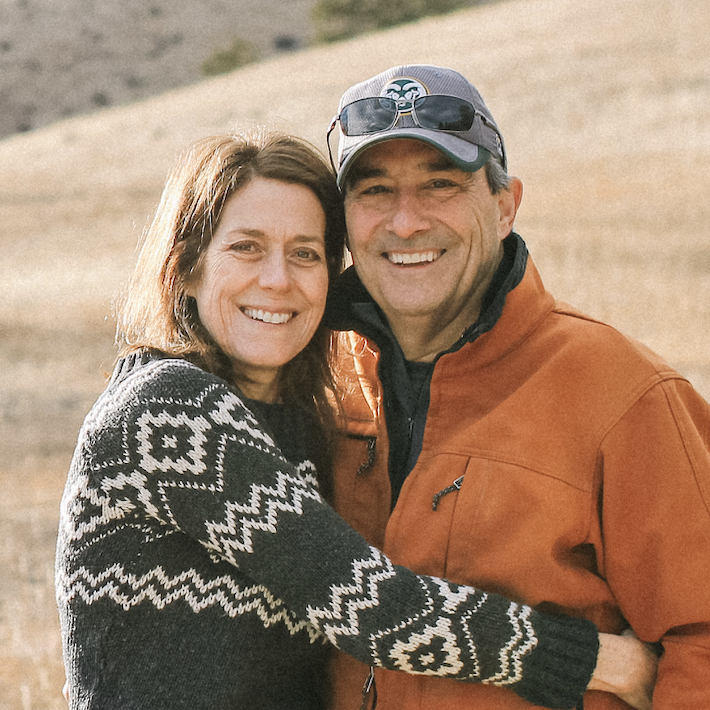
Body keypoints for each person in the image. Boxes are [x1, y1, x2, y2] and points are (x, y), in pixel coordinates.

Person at [55, 129, 654, 710]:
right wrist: (598, 661)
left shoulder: (305, 423)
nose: (277, 280)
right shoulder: (166, 413)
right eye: (246, 248)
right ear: (187, 268)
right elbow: (368, 605)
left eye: (305, 254)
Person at [323, 63, 710, 710]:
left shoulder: (626, 395)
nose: (406, 221)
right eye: (375, 191)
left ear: (505, 207)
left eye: (441, 185)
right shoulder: (311, 384)